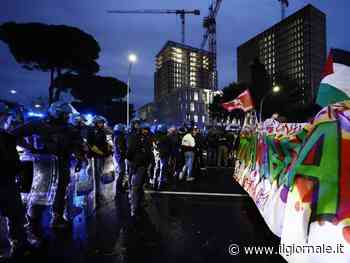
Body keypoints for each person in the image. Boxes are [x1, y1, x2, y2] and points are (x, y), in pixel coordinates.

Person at [13, 102, 83, 228]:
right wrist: (30, 147)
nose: (67, 117)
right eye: (64, 114)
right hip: (43, 165)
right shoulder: (38, 124)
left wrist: (80, 159)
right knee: (39, 192)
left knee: (61, 190)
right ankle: (33, 222)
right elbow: (13, 135)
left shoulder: (69, 128)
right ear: (57, 113)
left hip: (62, 163)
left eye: (67, 114)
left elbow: (76, 145)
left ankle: (57, 217)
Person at [0, 102, 38, 259]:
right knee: (11, 214)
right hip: (4, 181)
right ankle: (9, 247)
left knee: (15, 214)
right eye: (5, 117)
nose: (8, 120)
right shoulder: (5, 137)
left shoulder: (6, 136)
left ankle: (19, 244)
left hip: (8, 180)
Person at [126, 120, 153, 220]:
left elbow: (149, 151)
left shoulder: (147, 138)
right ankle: (134, 208)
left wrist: (150, 162)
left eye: (147, 129)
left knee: (140, 185)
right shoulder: (133, 137)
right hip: (137, 165)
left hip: (144, 165)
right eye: (144, 129)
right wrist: (133, 162)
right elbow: (129, 152)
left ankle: (140, 203)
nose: (146, 131)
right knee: (136, 187)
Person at [87, 115, 112, 208]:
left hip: (102, 156)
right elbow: (90, 143)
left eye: (102, 122)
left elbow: (109, 141)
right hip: (93, 155)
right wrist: (99, 152)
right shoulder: (91, 130)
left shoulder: (105, 130)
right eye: (99, 122)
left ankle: (98, 192)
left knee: (99, 173)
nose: (101, 124)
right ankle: (93, 191)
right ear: (95, 123)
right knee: (93, 174)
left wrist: (109, 151)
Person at [113, 123, 127, 200]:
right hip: (120, 157)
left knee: (121, 172)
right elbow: (121, 148)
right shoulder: (119, 137)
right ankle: (119, 188)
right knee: (121, 172)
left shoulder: (117, 136)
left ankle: (119, 187)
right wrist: (123, 155)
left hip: (118, 157)